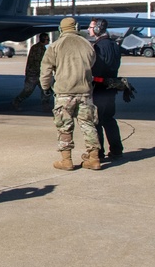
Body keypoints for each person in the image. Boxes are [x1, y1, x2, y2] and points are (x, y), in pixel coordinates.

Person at [39, 17, 100, 171]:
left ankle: (66, 160)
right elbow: (92, 62)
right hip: (84, 92)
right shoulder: (87, 44)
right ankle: (94, 158)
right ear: (76, 27)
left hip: (64, 93)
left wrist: (46, 87)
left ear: (61, 29)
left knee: (65, 127)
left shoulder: (55, 46)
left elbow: (45, 70)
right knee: (88, 125)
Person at [89, 17, 124, 161]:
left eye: (91, 27)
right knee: (109, 120)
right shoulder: (114, 44)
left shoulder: (98, 47)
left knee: (96, 121)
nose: (89, 30)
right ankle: (116, 150)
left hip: (100, 88)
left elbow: (97, 69)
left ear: (97, 29)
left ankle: (99, 152)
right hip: (111, 88)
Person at [11, 32, 50, 110]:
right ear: (43, 39)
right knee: (28, 91)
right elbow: (39, 62)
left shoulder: (41, 48)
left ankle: (45, 106)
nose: (48, 41)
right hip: (34, 74)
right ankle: (16, 102)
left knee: (46, 90)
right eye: (47, 39)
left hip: (38, 74)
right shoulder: (38, 48)